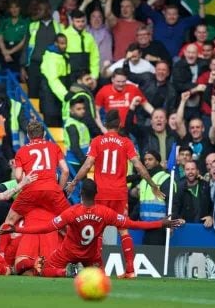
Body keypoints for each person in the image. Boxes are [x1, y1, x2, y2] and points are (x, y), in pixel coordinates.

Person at [0, 178, 184, 277]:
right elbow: (133, 224)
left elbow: (46, 228)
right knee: (100, 276)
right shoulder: (105, 213)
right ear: (96, 194)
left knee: (46, 269)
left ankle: (67, 272)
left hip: (68, 253)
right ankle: (93, 271)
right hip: (91, 254)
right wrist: (161, 223)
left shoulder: (71, 213)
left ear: (80, 193)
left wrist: (17, 229)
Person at [66, 110, 165, 278]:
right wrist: (153, 184)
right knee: (123, 230)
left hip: (101, 193)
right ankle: (130, 270)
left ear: (105, 124)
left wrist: (74, 181)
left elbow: (88, 164)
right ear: (119, 125)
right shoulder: (126, 142)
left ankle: (100, 269)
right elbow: (139, 166)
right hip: (119, 193)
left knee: (98, 232)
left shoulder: (97, 141)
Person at [0, 121, 70, 230]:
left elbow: (18, 176)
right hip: (52, 190)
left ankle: (2, 246)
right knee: (69, 222)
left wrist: (23, 188)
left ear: (28, 135)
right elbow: (65, 171)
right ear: (44, 134)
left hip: (30, 191)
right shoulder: (54, 147)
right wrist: (58, 190)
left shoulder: (21, 151)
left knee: (9, 222)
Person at [39, 33, 70, 127]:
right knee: (52, 123)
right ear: (56, 43)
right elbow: (53, 80)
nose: (64, 46)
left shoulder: (64, 56)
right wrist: (65, 95)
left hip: (58, 95)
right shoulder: (51, 58)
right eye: (61, 43)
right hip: (50, 95)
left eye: (65, 43)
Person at [62, 10, 99, 80]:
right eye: (78, 21)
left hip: (86, 74)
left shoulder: (89, 37)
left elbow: (94, 57)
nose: (80, 24)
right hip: (69, 75)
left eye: (82, 21)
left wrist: (94, 75)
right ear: (72, 21)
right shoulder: (64, 35)